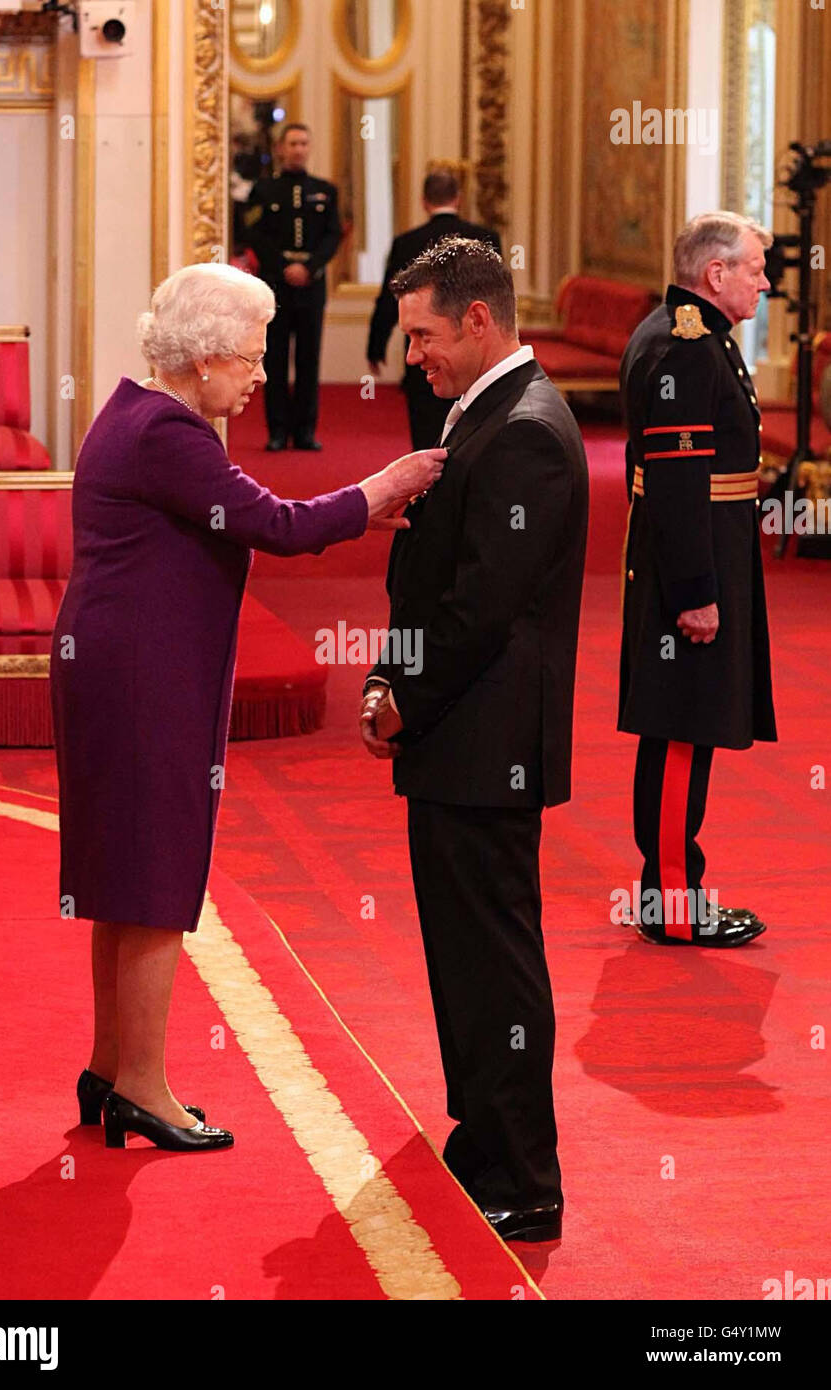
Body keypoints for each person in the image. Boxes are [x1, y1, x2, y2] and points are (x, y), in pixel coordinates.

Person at [50, 262, 444, 1153]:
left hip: (115, 663)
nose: (262, 375)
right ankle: (145, 1087)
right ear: (201, 360)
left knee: (122, 869)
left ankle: (111, 1066)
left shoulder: (135, 411)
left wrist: (352, 511)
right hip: (145, 674)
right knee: (155, 876)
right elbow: (276, 525)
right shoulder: (171, 435)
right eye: (250, 358)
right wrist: (376, 492)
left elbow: (254, 520)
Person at [358, 237, 589, 1243]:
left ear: (481, 320)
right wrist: (384, 672)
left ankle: (526, 1176)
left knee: (496, 958)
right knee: (463, 950)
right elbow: (432, 577)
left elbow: (482, 610)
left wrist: (402, 695)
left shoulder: (528, 430)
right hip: (458, 733)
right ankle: (481, 1130)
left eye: (424, 334)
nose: (414, 354)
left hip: (486, 740)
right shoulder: (483, 412)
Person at [619, 211, 777, 947]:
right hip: (692, 569)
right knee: (684, 729)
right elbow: (680, 484)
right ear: (716, 275)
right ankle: (673, 906)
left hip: (705, 556)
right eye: (754, 269)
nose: (764, 282)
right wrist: (696, 595)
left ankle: (668, 890)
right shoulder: (688, 349)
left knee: (685, 728)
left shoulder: (694, 336)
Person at [367, 169, 503, 449]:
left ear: (424, 201)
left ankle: (427, 485)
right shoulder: (485, 239)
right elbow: (497, 298)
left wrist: (375, 345)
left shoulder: (406, 243)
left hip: (425, 349)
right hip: (473, 348)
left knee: (425, 423)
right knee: (474, 421)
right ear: (459, 198)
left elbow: (389, 300)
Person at [242, 123, 341, 451]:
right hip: (277, 284)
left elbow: (333, 235)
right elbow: (255, 234)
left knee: (309, 359)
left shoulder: (325, 191)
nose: (299, 149)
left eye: (304, 143)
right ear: (282, 148)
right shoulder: (264, 190)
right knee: (277, 357)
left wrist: (309, 267)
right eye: (293, 143)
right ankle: (277, 430)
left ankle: (305, 431)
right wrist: (284, 267)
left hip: (312, 285)